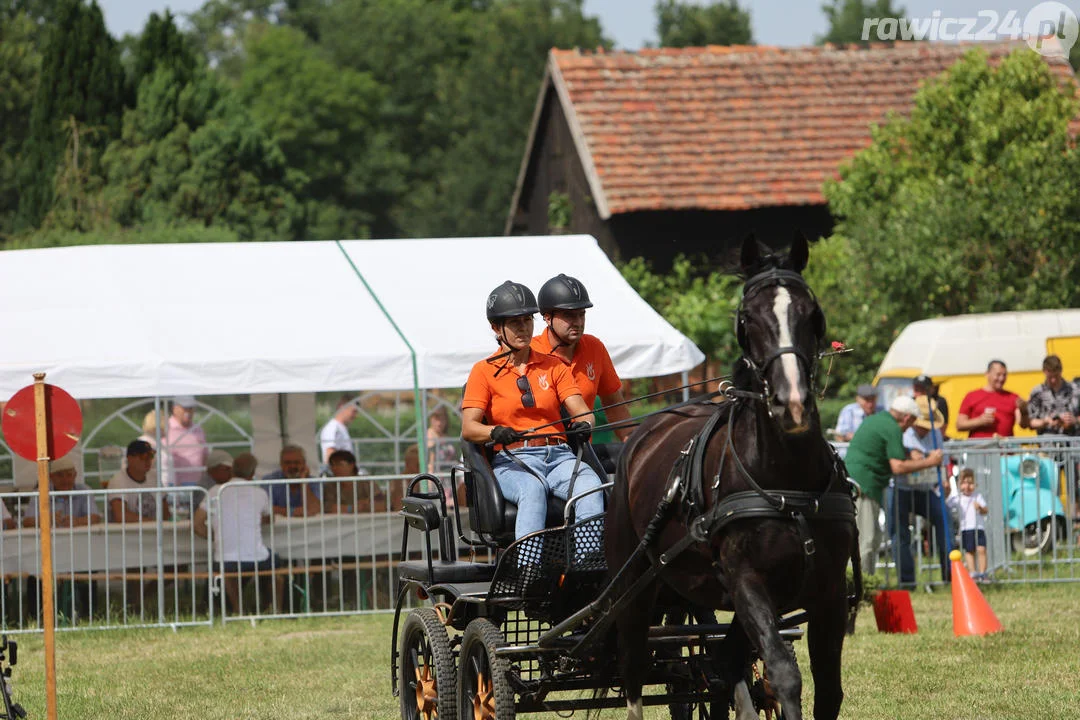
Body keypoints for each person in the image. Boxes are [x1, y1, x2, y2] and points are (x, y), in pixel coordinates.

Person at [461, 280, 605, 541]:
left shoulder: (554, 367)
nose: (524, 328)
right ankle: (528, 572)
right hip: (512, 460)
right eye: (515, 322)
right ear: (496, 328)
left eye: (528, 320)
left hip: (561, 457)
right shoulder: (482, 372)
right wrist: (496, 431)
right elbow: (469, 427)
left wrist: (586, 424)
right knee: (533, 489)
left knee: (591, 487)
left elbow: (582, 411)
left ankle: (587, 564)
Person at [844, 395, 943, 575]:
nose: (909, 428)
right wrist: (929, 462)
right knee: (867, 539)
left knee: (872, 538)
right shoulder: (892, 428)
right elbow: (897, 467)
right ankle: (861, 586)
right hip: (865, 486)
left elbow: (888, 451)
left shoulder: (879, 420)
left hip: (862, 484)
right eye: (911, 422)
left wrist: (908, 452)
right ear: (906, 417)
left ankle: (863, 582)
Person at [532, 273, 634, 442]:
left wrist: (634, 444)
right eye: (569, 316)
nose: (578, 322)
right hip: (540, 452)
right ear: (547, 317)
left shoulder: (595, 347)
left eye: (581, 314)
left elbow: (614, 405)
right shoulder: (529, 352)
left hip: (583, 451)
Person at [194, 452, 285, 612]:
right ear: (252, 473)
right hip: (257, 557)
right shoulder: (260, 493)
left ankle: (238, 609)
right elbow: (270, 519)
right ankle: (275, 608)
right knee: (277, 566)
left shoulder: (215, 491)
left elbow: (197, 524)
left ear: (232, 470)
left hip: (224, 559)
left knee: (228, 568)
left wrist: (216, 536)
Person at [886, 397, 951, 585]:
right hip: (900, 488)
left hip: (925, 489)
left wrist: (945, 481)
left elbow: (943, 461)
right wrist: (918, 457)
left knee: (944, 517)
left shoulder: (936, 433)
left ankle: (950, 575)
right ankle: (907, 581)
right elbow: (898, 460)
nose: (925, 429)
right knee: (900, 532)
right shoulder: (901, 431)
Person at [24, 455, 102, 528]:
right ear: (51, 477)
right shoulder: (41, 493)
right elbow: (26, 522)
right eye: (59, 475)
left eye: (69, 475)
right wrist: (45, 520)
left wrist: (78, 521)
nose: (65, 480)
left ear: (75, 475)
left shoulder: (84, 491)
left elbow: (96, 518)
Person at [956, 360, 1030, 438]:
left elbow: (1023, 425)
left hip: (1004, 448)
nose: (1001, 379)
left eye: (1004, 375)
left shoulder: (1013, 397)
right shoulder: (971, 396)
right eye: (998, 375)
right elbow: (959, 425)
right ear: (987, 374)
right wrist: (979, 421)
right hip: (979, 448)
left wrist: (1024, 412)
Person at [108, 440, 171, 522]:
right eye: (144, 456)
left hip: (153, 532)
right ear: (130, 458)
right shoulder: (118, 481)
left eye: (151, 456)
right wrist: (153, 523)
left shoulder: (154, 477)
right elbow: (120, 516)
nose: (148, 460)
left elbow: (165, 511)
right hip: (127, 534)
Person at [947, 467, 989, 578]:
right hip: (966, 528)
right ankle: (972, 572)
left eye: (970, 483)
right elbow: (948, 505)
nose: (967, 486)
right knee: (969, 550)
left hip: (978, 527)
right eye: (964, 483)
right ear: (960, 484)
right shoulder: (957, 498)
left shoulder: (977, 496)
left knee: (981, 549)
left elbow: (985, 510)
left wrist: (980, 508)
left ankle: (983, 572)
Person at [263, 444, 321, 517]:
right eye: (287, 463)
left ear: (304, 464)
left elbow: (315, 509)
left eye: (297, 462)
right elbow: (265, 508)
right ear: (281, 464)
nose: (292, 466)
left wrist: (303, 481)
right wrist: (292, 511)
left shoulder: (314, 482)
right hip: (278, 527)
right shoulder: (269, 480)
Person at [1027, 355, 1079, 436]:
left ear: (1061, 371)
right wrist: (1045, 421)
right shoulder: (1037, 392)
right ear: (1044, 372)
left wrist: (1075, 420)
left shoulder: (1075, 390)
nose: (1053, 380)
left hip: (1073, 443)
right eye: (1050, 377)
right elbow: (1029, 422)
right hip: (1048, 444)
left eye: (1056, 376)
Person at [165, 395, 208, 487]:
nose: (188, 412)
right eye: (185, 408)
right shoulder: (166, 428)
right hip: (174, 484)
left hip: (198, 482)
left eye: (191, 408)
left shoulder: (198, 429)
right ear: (174, 409)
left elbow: (205, 453)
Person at [137, 409, 173, 487]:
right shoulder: (146, 443)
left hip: (164, 488)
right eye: (167, 424)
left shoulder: (157, 443)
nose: (169, 427)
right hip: (154, 490)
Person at [319, 397, 358, 465]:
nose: (355, 416)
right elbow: (330, 454)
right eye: (354, 411)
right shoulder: (333, 428)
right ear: (342, 407)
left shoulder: (341, 428)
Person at [426, 405, 458, 474]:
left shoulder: (447, 436)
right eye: (436, 419)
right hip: (437, 478)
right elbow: (430, 463)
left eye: (442, 419)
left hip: (451, 476)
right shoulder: (430, 435)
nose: (439, 423)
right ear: (431, 419)